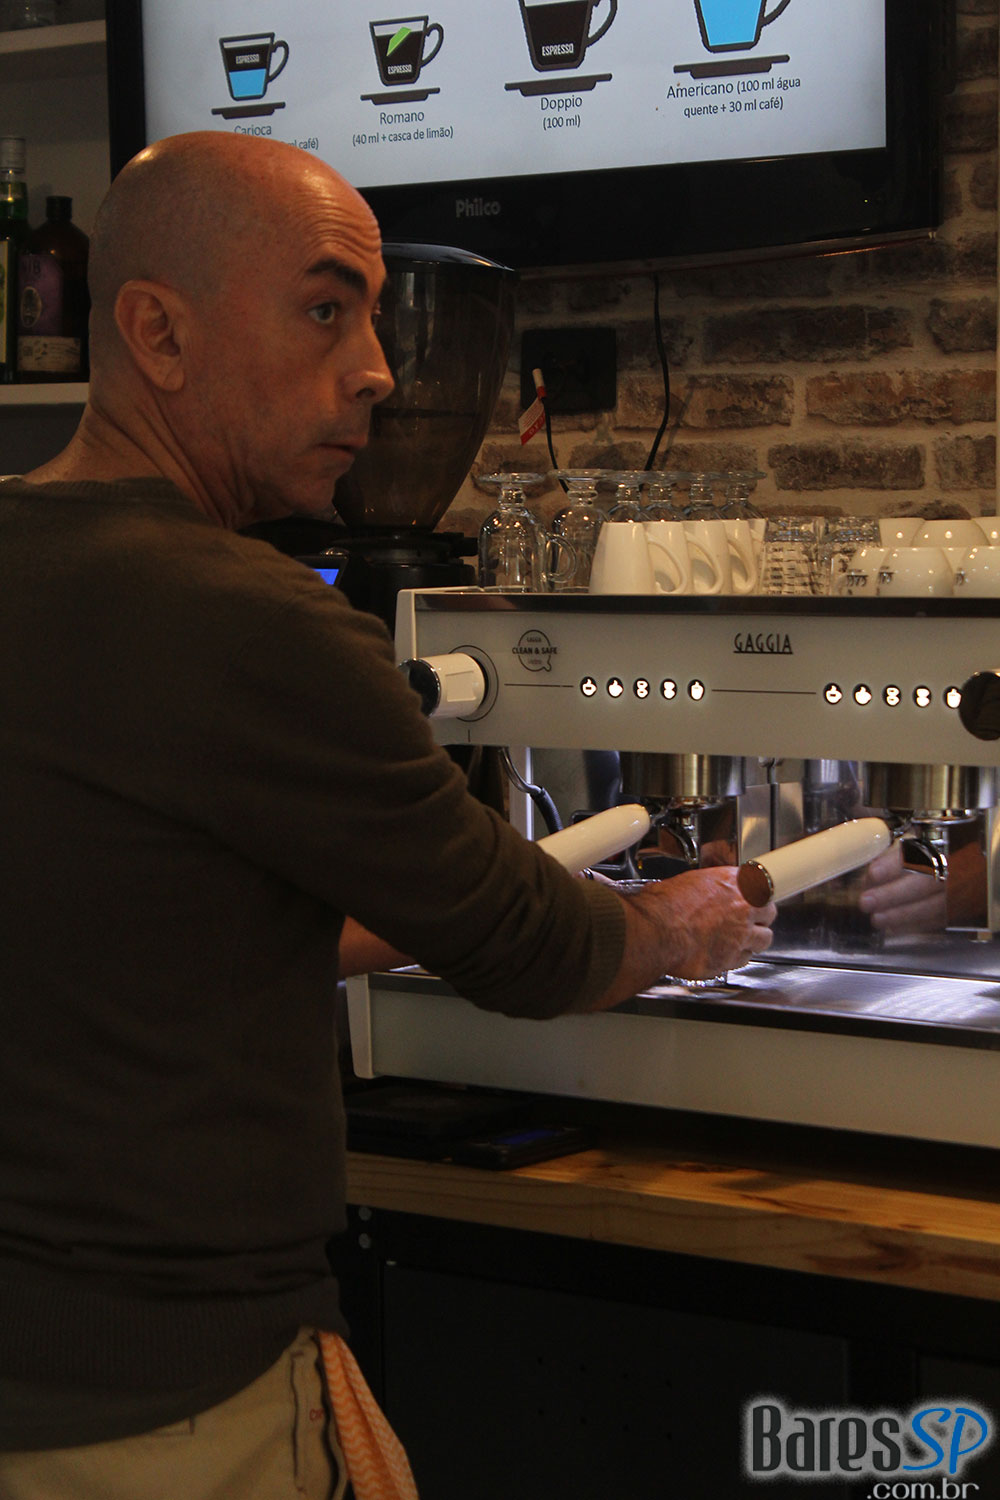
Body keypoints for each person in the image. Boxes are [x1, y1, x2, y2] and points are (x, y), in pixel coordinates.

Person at [0, 131, 776, 1500]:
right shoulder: (246, 617)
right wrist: (679, 922)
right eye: (324, 309)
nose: (376, 369)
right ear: (158, 334)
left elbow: (133, 922)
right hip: (161, 1402)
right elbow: (529, 944)